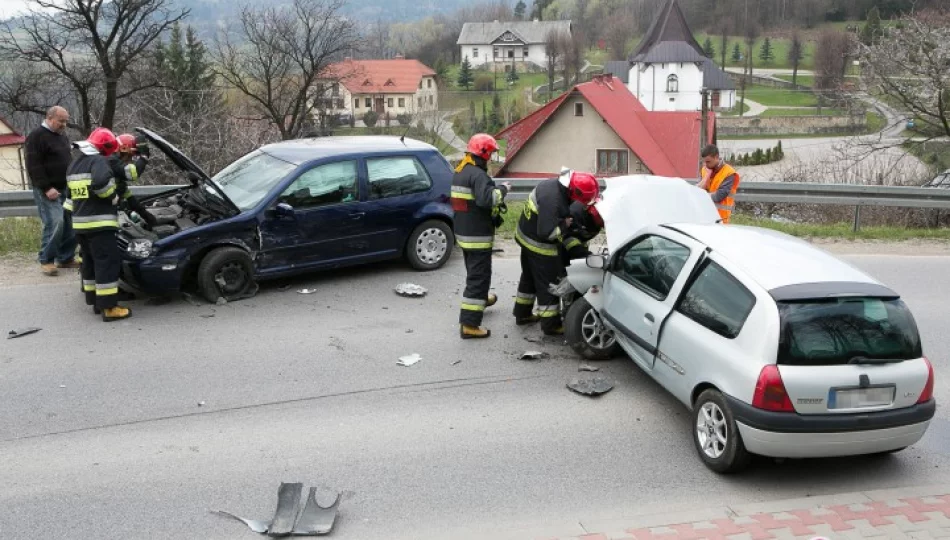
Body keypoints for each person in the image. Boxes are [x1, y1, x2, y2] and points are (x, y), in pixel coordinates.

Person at [513, 170, 599, 336]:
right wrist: (565, 224)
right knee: (549, 284)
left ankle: (522, 314)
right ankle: (551, 325)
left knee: (529, 277)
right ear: (575, 190)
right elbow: (548, 233)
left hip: (525, 237)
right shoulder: (555, 201)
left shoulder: (555, 186)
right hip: (539, 244)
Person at [66, 128, 131, 322]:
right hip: (99, 224)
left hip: (80, 225)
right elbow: (101, 182)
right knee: (107, 263)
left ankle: (96, 301)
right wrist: (112, 196)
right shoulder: (99, 161)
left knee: (90, 262)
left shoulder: (75, 163)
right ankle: (110, 308)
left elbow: (69, 200)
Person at [451, 133, 511, 339]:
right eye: (492, 153)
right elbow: (488, 200)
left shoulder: (461, 171)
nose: (493, 157)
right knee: (479, 277)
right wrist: (503, 190)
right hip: (477, 236)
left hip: (464, 233)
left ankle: (481, 299)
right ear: (483, 153)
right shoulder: (478, 175)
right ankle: (469, 324)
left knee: (473, 272)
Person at [25, 106, 77, 276]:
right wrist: (47, 187)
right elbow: (33, 165)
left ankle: (66, 258)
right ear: (50, 118)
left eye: (66, 121)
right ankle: (46, 260)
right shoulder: (36, 136)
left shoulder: (61, 136)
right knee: (56, 223)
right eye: (61, 121)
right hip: (48, 189)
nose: (64, 124)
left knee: (70, 223)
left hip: (66, 187)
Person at [111, 133, 157, 229]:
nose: (129, 159)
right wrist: (144, 157)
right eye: (129, 156)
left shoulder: (117, 177)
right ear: (122, 151)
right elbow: (133, 173)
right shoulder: (112, 161)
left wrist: (146, 215)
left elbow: (130, 199)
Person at [697, 144, 740, 224]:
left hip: (721, 220)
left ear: (716, 157)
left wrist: (702, 195)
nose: (706, 164)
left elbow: (719, 196)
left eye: (708, 161)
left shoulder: (728, 172)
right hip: (705, 218)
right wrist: (706, 177)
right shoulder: (705, 170)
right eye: (705, 162)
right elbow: (697, 191)